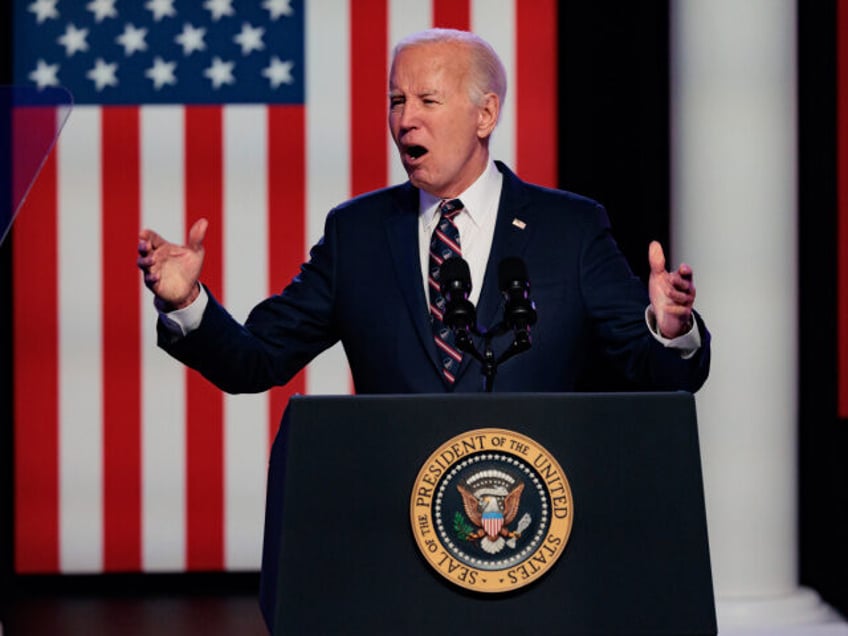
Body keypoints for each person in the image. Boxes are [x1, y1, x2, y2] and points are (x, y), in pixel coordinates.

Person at [137, 28, 710, 628]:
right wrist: (188, 303)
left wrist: (670, 330)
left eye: (427, 101)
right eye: (395, 101)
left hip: (540, 556)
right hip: (394, 557)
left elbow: (659, 372)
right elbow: (256, 359)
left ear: (485, 113)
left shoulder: (570, 228)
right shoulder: (356, 233)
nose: (406, 120)